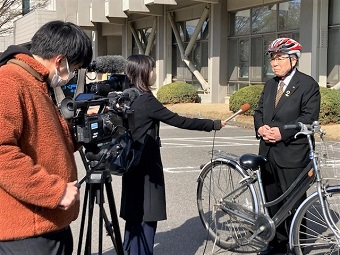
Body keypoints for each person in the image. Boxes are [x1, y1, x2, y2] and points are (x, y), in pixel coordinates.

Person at [0, 21, 92, 254]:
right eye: (75, 68)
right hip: (26, 230)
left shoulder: (36, 81)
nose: (71, 76)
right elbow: (2, 153)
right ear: (60, 60)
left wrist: (82, 130)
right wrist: (54, 191)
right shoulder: (9, 81)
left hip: (47, 223)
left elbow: (47, 141)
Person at [119, 54, 226, 255]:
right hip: (147, 166)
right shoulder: (147, 100)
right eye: (151, 69)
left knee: (133, 217)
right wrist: (212, 124)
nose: (154, 73)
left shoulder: (125, 97)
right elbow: (179, 120)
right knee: (147, 218)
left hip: (129, 163)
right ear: (143, 72)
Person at [254, 38, 320, 255]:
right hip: (268, 153)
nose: (274, 63)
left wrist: (282, 132)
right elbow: (259, 112)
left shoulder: (308, 84)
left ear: (294, 59)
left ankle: (296, 246)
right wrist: (261, 128)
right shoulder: (270, 84)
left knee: (294, 204)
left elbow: (309, 117)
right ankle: (276, 243)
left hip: (293, 153)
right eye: (272, 59)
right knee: (271, 201)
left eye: (279, 58)